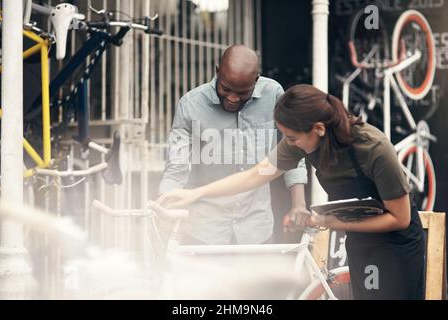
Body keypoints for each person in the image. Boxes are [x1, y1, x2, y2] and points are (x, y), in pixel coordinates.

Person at [157, 84, 426, 300]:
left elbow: (399, 218)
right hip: (359, 240)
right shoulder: (301, 142)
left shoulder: (374, 149)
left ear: (319, 129)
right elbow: (255, 175)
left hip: (397, 245)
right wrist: (195, 194)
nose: (290, 144)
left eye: (294, 138)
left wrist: (329, 221)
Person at [158, 45, 307, 245]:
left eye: (242, 92)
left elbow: (292, 153)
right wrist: (164, 205)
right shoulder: (190, 105)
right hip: (204, 230)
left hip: (256, 227)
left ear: (256, 80)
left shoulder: (273, 94)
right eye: (226, 89)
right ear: (217, 71)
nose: (232, 98)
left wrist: (299, 204)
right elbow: (176, 166)